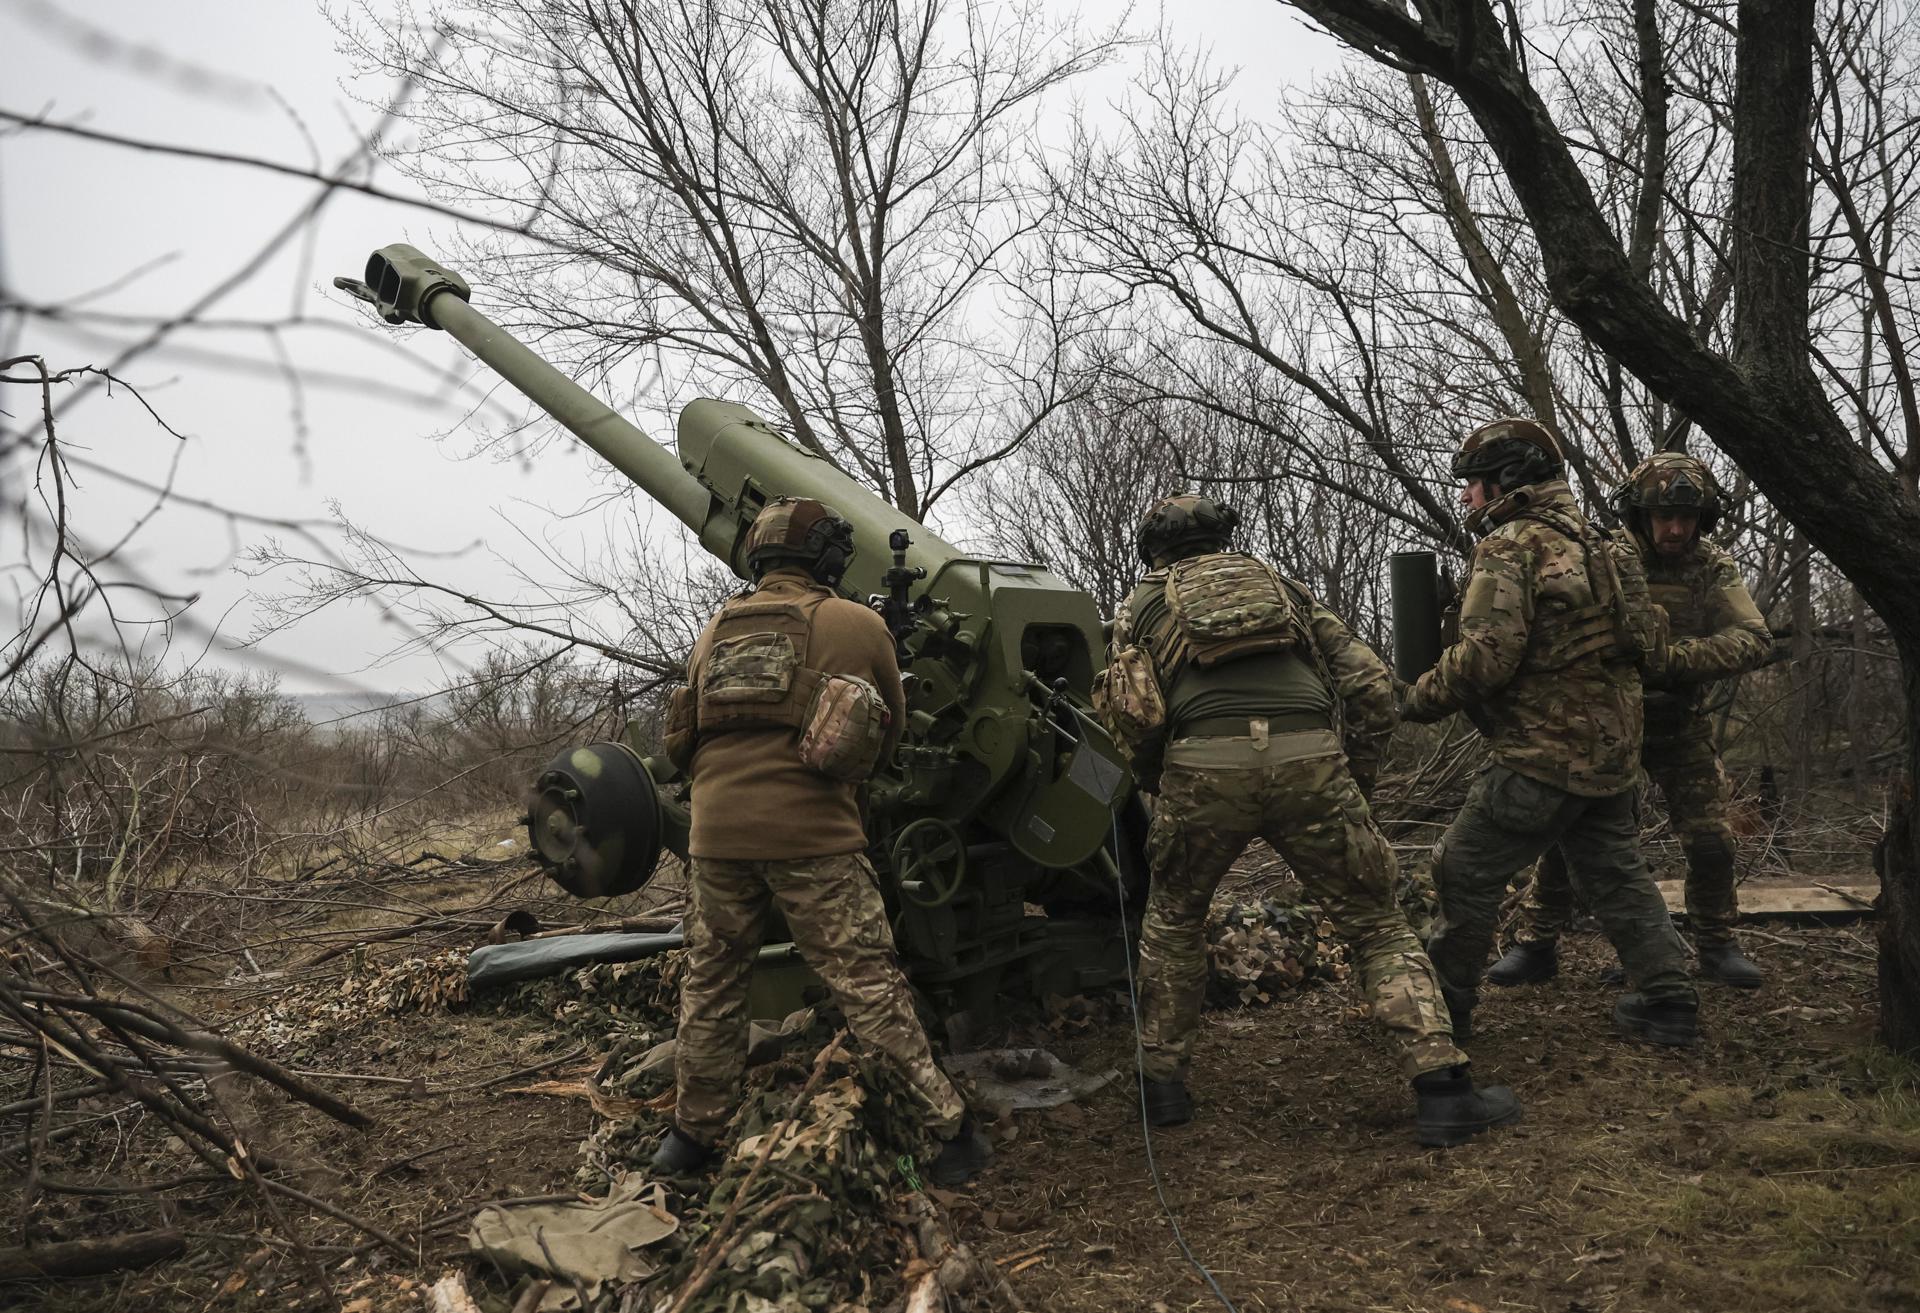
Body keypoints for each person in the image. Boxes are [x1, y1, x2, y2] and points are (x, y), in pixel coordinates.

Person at [1099, 494, 1518, 1148]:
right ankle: (1443, 1087)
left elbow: (1132, 714)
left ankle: (1162, 1087)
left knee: (1174, 917)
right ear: (1223, 538)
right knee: (1378, 923)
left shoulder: (1138, 606)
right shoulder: (1281, 587)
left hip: (1202, 768)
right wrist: (1357, 777)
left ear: (1152, 551)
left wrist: (1163, 778)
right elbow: (1375, 688)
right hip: (1311, 760)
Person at [649, 497, 992, 1185]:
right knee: (866, 982)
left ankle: (690, 1136)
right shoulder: (855, 622)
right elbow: (892, 731)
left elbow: (685, 730)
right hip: (812, 834)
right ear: (829, 559)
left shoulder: (715, 627)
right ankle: (946, 1133)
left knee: (713, 984)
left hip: (715, 836)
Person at [1399, 419, 1701, 1047]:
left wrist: (1415, 696)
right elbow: (1650, 644)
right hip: (1615, 752)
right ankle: (1669, 1001)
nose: (1466, 498)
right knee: (1616, 872)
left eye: (1473, 485)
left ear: (1507, 480)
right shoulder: (1610, 546)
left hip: (1542, 755)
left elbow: (1485, 659)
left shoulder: (1513, 545)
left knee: (1462, 870)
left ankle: (1442, 1020)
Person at [1488, 452, 1772, 989]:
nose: (1674, 528)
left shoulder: (1711, 566)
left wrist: (1674, 660)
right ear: (1640, 514)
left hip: (1679, 724)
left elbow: (1752, 638)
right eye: (1664, 516)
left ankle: (1716, 942)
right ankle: (1536, 942)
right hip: (1610, 723)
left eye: (1686, 518)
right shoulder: (1606, 560)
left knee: (1712, 840)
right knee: (1572, 836)